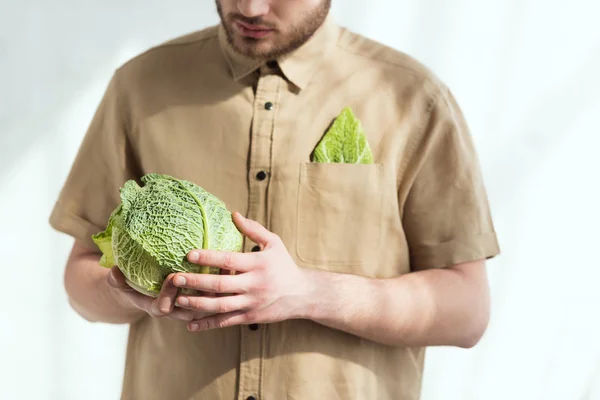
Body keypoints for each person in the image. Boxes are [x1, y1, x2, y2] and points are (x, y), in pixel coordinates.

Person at [49, 1, 501, 399]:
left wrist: (311, 293)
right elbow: (80, 278)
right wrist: (126, 293)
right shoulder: (140, 86)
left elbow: (467, 311)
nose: (248, 8)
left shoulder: (412, 99)